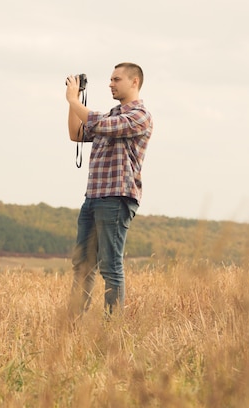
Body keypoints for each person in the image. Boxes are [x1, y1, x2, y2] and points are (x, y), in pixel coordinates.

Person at [65, 62, 153, 319]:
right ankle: (73, 325)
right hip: (93, 198)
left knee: (111, 266)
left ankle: (112, 328)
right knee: (82, 265)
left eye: (116, 79)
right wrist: (75, 99)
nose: (110, 84)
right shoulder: (111, 115)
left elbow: (102, 126)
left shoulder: (139, 116)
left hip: (116, 198)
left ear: (134, 81)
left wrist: (73, 101)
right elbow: (76, 133)